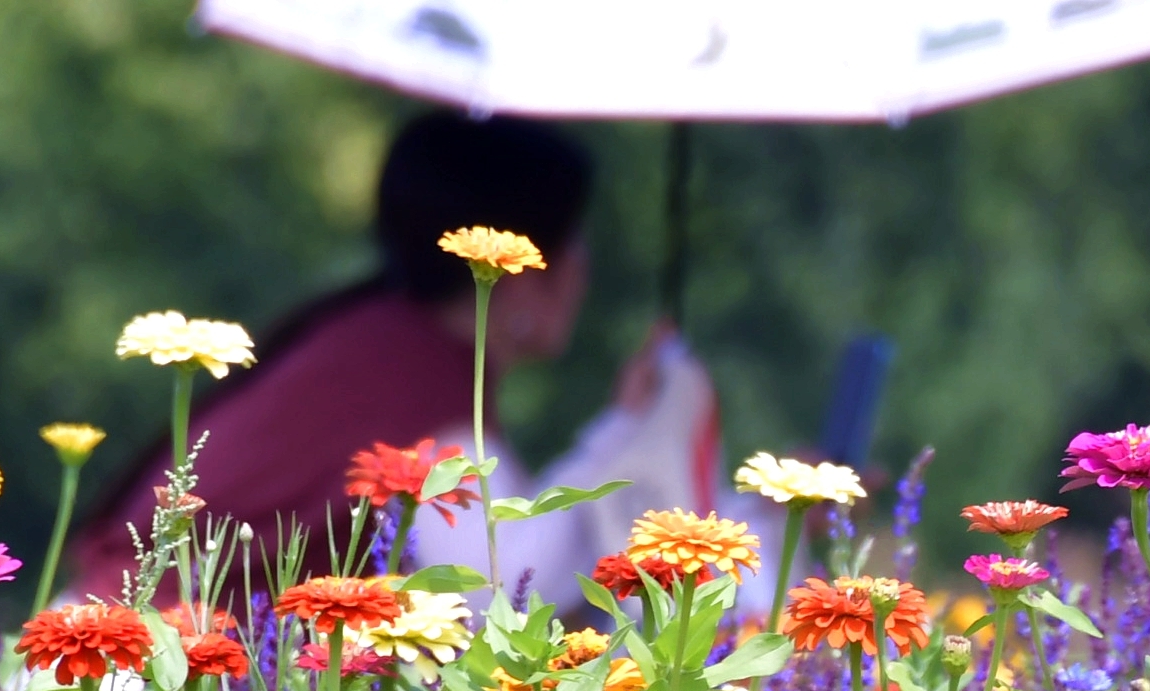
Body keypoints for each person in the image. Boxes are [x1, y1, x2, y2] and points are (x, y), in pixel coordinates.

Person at [67, 109, 717, 604]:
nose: (584, 267)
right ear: (520, 264)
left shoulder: (377, 337)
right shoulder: (413, 376)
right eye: (573, 239)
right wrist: (633, 435)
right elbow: (502, 591)